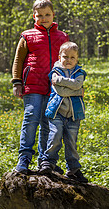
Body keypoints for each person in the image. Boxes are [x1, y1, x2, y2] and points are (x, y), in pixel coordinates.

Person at [11, 0, 69, 174]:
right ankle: (24, 159)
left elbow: (69, 61)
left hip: (54, 88)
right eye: (40, 15)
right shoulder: (27, 36)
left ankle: (45, 161)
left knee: (48, 123)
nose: (44, 18)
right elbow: (18, 60)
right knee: (31, 120)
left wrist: (72, 84)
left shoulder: (62, 37)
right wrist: (17, 82)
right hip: (33, 85)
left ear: (53, 15)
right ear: (34, 16)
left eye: (47, 15)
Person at [39, 41, 88, 183]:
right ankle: (48, 163)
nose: (69, 60)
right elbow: (60, 91)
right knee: (54, 137)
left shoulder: (80, 72)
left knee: (71, 142)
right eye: (65, 56)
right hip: (57, 112)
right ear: (59, 56)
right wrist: (78, 91)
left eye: (72, 57)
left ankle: (73, 169)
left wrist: (63, 82)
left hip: (74, 114)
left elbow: (77, 83)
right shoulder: (55, 71)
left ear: (77, 58)